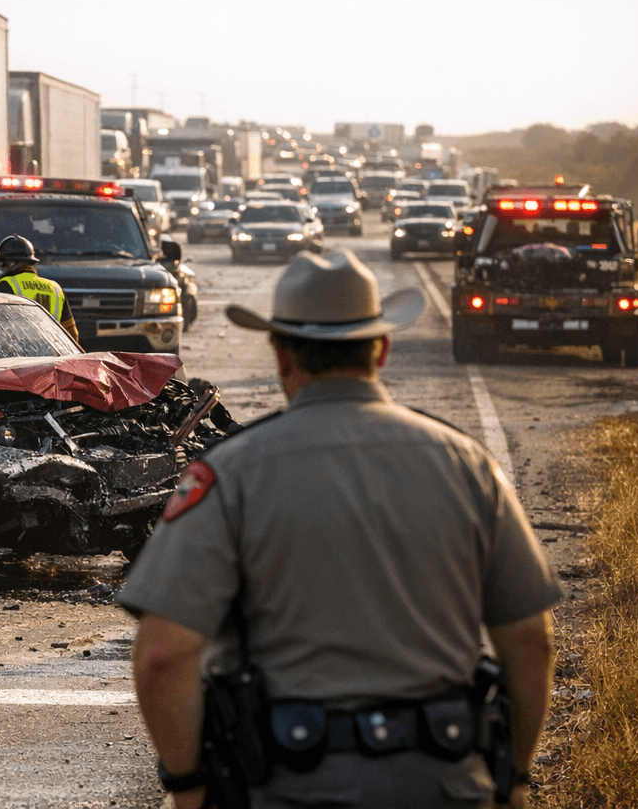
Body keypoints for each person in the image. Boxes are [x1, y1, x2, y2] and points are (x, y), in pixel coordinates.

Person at [120, 250, 560, 808]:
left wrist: (188, 789)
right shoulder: (468, 464)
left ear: (280, 356)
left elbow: (163, 653)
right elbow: (530, 638)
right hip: (445, 783)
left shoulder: (230, 473)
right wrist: (515, 778)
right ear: (382, 349)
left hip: (286, 785)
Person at [0, 234, 80, 344]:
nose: (1, 269)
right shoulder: (55, 288)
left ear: (9, 263)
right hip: (52, 357)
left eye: (2, 264)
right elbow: (72, 334)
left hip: (18, 358)